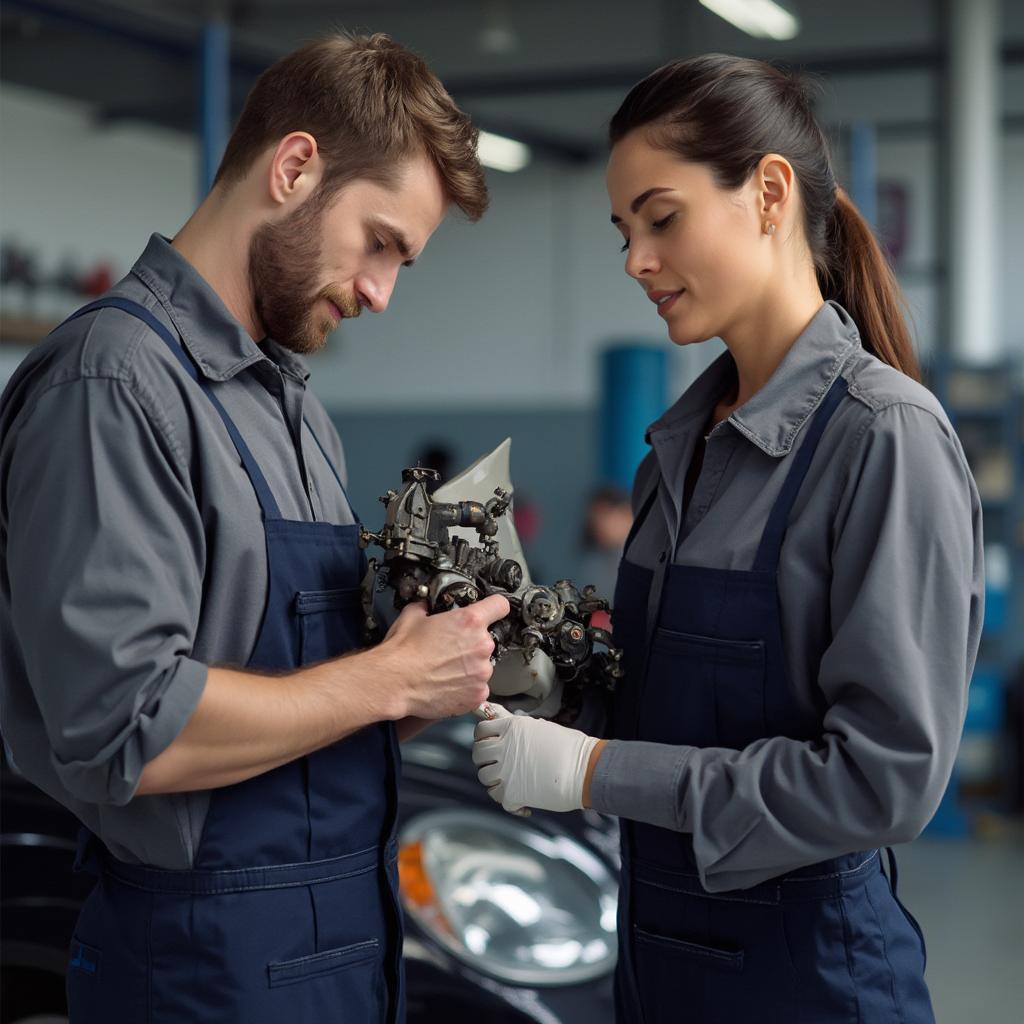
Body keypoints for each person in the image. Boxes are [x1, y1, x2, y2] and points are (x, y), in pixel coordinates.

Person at [0, 32, 510, 1024]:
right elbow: (122, 730)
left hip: (340, 953)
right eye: (380, 243)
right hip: (201, 968)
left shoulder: (294, 409)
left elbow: (315, 696)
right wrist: (385, 678)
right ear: (293, 168)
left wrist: (418, 679)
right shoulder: (112, 385)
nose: (379, 292)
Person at [472, 54, 983, 1023]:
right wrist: (559, 688)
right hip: (663, 969)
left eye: (661, 220)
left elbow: (881, 782)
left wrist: (590, 773)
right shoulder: (677, 450)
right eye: (624, 233)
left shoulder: (882, 438)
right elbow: (677, 700)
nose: (635, 262)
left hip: (810, 987)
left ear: (769, 193)